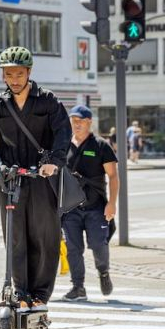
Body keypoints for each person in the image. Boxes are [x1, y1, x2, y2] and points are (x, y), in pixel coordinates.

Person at [0, 46, 71, 313]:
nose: (14, 79)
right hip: (11, 177)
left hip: (41, 177)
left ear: (29, 73)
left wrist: (54, 163)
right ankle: (21, 292)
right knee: (15, 237)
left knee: (44, 236)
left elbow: (63, 132)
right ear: (3, 75)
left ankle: (39, 294)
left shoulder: (47, 100)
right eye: (9, 74)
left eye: (19, 73)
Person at [60, 105, 118, 301]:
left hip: (96, 207)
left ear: (89, 122)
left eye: (81, 120)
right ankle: (78, 287)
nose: (76, 124)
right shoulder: (64, 146)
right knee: (73, 249)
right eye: (73, 120)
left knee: (98, 244)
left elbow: (113, 176)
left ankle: (103, 272)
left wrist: (112, 204)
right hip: (71, 209)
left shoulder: (101, 146)